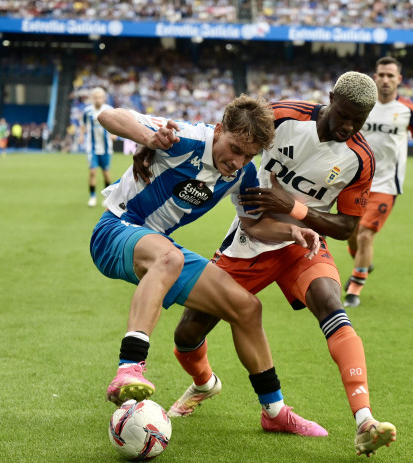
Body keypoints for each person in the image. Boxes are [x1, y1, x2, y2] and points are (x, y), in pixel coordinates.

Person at [136, 72, 397, 457]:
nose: (348, 126)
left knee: (331, 305)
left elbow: (346, 227)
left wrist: (293, 208)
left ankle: (365, 421)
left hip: (302, 243)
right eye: (343, 115)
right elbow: (225, 137)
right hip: (251, 236)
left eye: (358, 121)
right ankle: (205, 383)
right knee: (186, 336)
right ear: (329, 99)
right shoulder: (284, 116)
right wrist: (153, 146)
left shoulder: (360, 159)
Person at [92, 94, 329, 437]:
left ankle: (274, 411)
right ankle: (129, 368)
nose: (238, 161)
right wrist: (149, 138)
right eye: (234, 149)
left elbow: (252, 225)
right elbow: (110, 116)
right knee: (168, 256)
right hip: (115, 230)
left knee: (246, 307)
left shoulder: (243, 174)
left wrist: (292, 231)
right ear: (218, 130)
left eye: (248, 155)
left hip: (161, 248)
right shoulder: (185, 138)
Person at [344, 56, 413, 308]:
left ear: (399, 80)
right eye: (381, 74)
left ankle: (354, 289)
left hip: (386, 185)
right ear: (374, 76)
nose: (385, 79)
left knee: (365, 236)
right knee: (351, 233)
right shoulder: (362, 105)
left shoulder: (408, 110)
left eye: (390, 76)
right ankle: (363, 262)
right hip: (355, 181)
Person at [79, 87, 115, 207]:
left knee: (106, 173)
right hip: (92, 147)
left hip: (106, 148)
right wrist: (81, 136)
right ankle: (92, 197)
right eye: (95, 97)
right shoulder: (87, 111)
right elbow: (83, 125)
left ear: (104, 98)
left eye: (100, 97)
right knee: (92, 172)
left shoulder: (109, 110)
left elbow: (116, 124)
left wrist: (114, 134)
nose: (98, 100)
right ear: (92, 99)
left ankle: (107, 197)